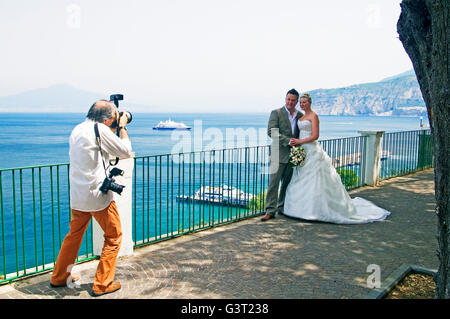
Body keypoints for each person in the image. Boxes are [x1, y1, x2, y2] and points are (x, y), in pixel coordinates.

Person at [50, 100, 133, 296]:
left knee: (74, 236)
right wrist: (122, 127)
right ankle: (102, 284)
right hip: (98, 196)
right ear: (107, 119)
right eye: (113, 117)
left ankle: (59, 276)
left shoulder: (78, 129)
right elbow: (125, 151)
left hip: (78, 196)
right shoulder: (100, 129)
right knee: (113, 237)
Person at [283, 93, 390, 224]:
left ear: (310, 103)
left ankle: (317, 210)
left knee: (315, 179)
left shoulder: (313, 116)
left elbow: (315, 136)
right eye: (301, 102)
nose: (302, 104)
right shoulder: (301, 117)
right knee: (300, 177)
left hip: (312, 149)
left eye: (305, 102)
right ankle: (299, 210)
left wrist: (301, 140)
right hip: (303, 151)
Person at [261, 89, 303, 221]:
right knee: (273, 183)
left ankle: (282, 207)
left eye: (293, 100)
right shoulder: (276, 113)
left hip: (293, 155)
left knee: (287, 183)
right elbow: (271, 132)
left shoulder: (300, 115)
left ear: (297, 101)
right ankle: (270, 211)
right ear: (285, 99)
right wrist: (288, 141)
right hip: (277, 154)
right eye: (288, 99)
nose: (290, 102)